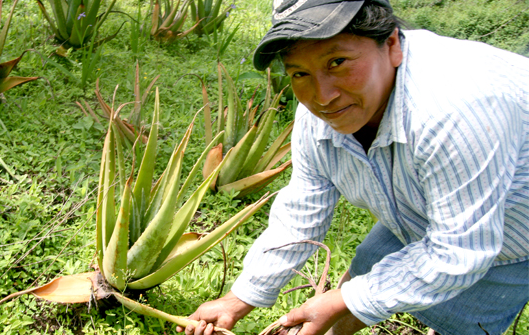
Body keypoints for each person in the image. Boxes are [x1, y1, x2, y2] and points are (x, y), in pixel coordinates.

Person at [177, 0, 529, 334]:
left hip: (515, 227)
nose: (323, 96)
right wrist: (239, 298)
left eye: (337, 62)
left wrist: (345, 298)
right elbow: (302, 210)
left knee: (463, 319)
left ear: (391, 43)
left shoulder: (455, 110)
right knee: (367, 270)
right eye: (299, 73)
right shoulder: (319, 118)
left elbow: (460, 251)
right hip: (424, 211)